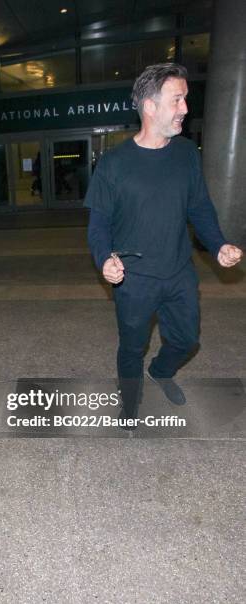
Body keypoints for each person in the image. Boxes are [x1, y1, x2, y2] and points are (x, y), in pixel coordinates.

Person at [85, 63, 243, 428]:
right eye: (177, 99)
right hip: (134, 279)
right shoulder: (113, 164)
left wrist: (218, 244)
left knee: (188, 339)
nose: (185, 108)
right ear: (150, 106)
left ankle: (161, 371)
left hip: (178, 272)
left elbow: (199, 206)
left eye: (185, 98)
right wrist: (103, 259)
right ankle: (129, 404)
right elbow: (98, 225)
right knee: (131, 348)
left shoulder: (186, 153)